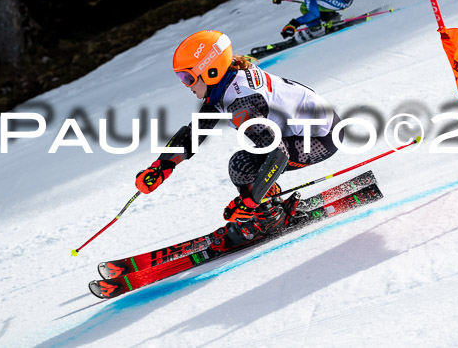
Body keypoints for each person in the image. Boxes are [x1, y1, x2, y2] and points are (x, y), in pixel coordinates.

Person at [134, 30, 342, 249]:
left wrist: (250, 201)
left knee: (241, 165)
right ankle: (269, 204)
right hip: (309, 129)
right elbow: (197, 131)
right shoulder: (227, 81)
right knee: (249, 164)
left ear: (210, 70)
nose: (187, 85)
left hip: (320, 138)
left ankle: (271, 219)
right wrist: (162, 166)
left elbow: (279, 155)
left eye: (187, 77)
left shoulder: (241, 104)